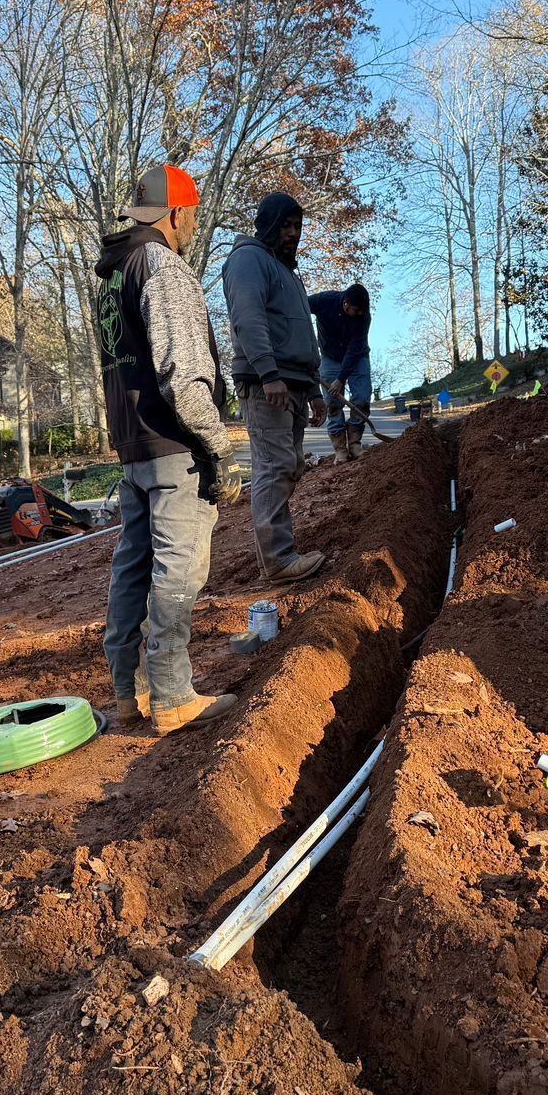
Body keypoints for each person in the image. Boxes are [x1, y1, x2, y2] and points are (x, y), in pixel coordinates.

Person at [94, 163, 241, 735]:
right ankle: (174, 695)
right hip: (173, 442)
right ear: (177, 214)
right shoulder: (163, 268)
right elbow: (183, 375)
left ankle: (128, 691)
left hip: (133, 446)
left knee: (133, 565)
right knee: (179, 566)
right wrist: (216, 444)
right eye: (193, 217)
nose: (193, 228)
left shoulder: (113, 272)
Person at [223, 192, 327, 582]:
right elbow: (248, 319)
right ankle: (279, 560)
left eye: (298, 226)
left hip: (295, 383)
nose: (293, 234)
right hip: (268, 383)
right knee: (274, 466)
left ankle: (278, 549)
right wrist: (268, 373)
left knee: (290, 465)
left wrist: (315, 388)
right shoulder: (248, 260)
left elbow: (304, 335)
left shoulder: (287, 272)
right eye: (286, 225)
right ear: (268, 223)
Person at [308, 281, 373, 461]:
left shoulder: (364, 317)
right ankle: (340, 449)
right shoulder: (324, 300)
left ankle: (354, 444)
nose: (359, 314)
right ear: (346, 304)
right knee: (332, 403)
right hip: (329, 357)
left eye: (362, 311)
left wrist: (341, 378)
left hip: (357, 357)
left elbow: (354, 349)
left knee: (361, 399)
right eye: (356, 310)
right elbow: (299, 309)